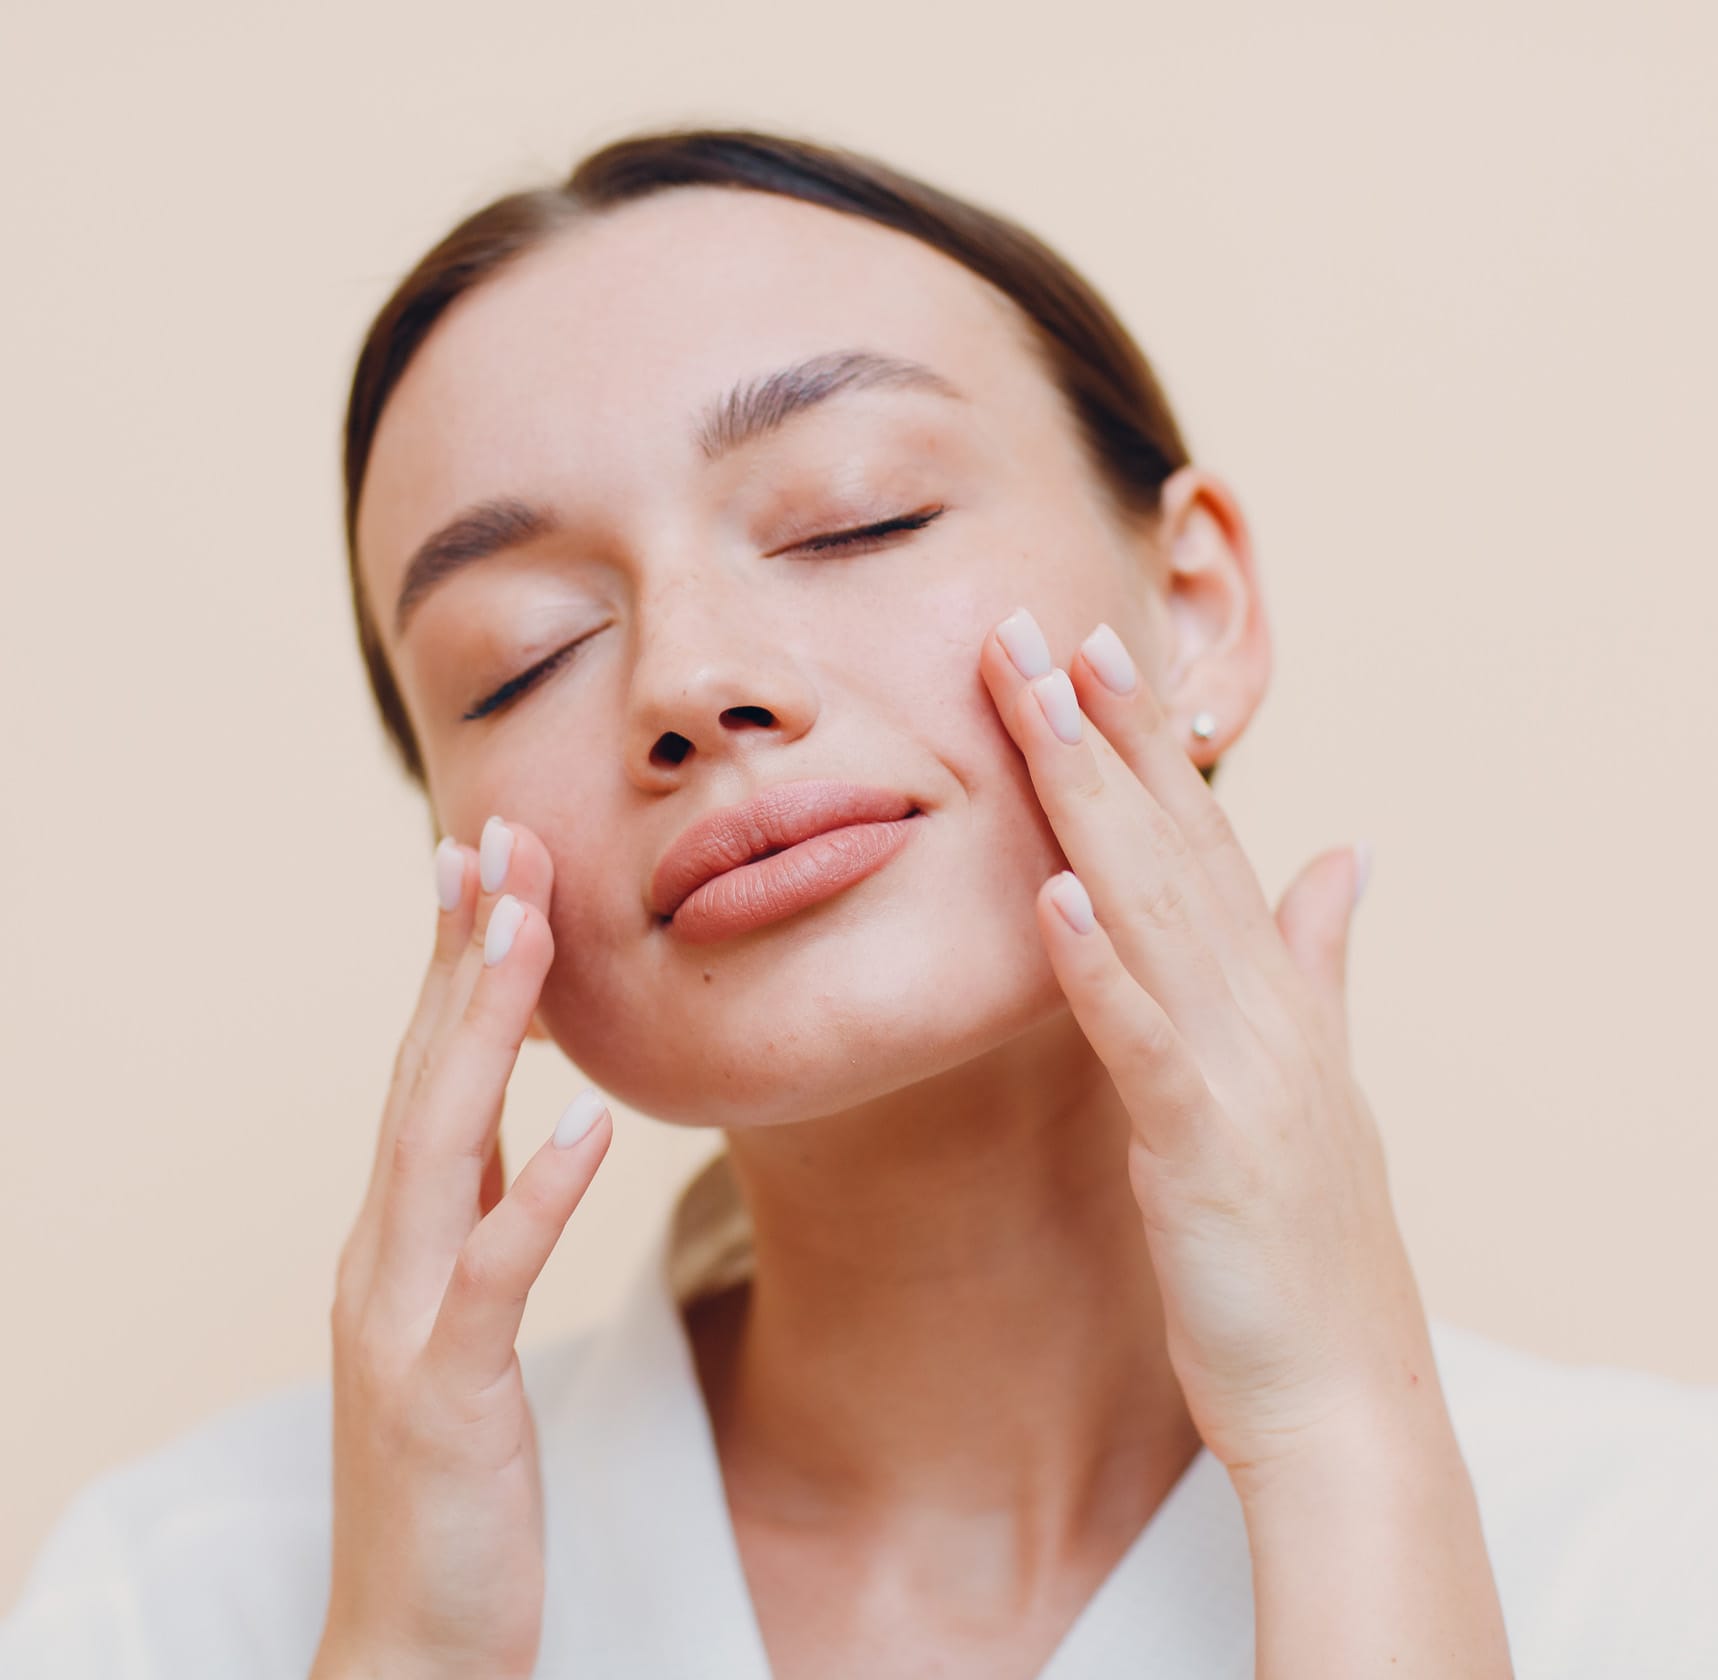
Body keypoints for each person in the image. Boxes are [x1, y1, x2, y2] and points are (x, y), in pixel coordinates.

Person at [4, 125, 1715, 1680]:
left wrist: (1346, 1447)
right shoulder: (188, 1600)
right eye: (518, 659)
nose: (689, 681)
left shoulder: (1656, 1558)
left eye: (853, 519)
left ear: (1193, 609)